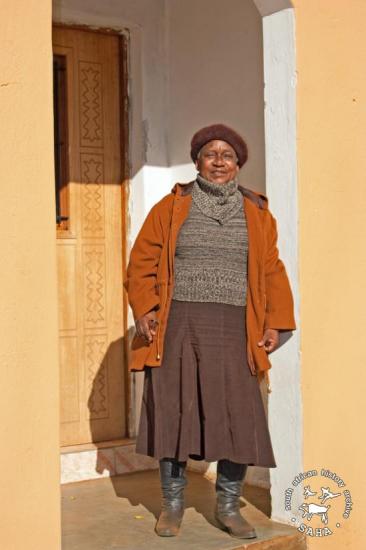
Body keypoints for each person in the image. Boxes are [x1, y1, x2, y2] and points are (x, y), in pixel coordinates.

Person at [124, 123, 296, 540]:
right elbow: (141, 261)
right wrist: (146, 308)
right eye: (210, 153)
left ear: (238, 164)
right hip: (178, 323)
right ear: (197, 160)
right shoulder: (170, 208)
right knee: (174, 411)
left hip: (237, 326)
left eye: (228, 155)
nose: (219, 161)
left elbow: (271, 269)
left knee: (240, 413)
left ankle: (228, 506)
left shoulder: (257, 212)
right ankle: (173, 505)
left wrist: (275, 321)